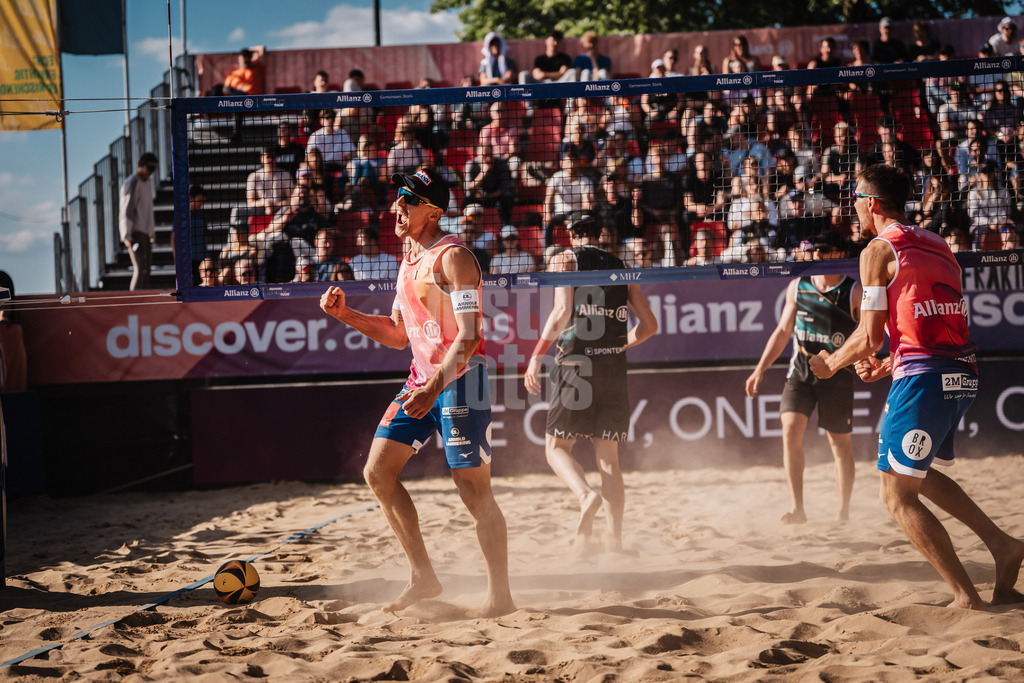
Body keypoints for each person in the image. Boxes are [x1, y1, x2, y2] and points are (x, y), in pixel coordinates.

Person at [809, 163, 1024, 610]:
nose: (854, 208)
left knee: (895, 491)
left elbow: (868, 335)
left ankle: (966, 597)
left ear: (872, 202)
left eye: (855, 199)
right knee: (915, 477)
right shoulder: (937, 242)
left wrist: (830, 364)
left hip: (926, 378)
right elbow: (929, 316)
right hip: (960, 371)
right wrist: (891, 362)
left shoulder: (876, 250)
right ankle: (1004, 546)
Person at [319, 167, 515, 617]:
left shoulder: (455, 258)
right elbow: (396, 336)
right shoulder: (407, 259)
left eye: (407, 199)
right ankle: (423, 576)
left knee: (474, 492)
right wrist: (347, 315)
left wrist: (434, 387)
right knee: (377, 472)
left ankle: (500, 598)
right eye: (398, 198)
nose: (396, 207)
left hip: (462, 379)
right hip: (422, 379)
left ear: (432, 211)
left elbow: (468, 338)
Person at [524, 213, 658, 552]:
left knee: (556, 449)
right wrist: (618, 344)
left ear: (569, 234)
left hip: (575, 362)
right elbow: (650, 326)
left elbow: (562, 312)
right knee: (609, 461)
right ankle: (615, 542)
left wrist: (537, 355)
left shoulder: (565, 259)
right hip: (613, 364)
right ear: (601, 232)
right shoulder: (622, 267)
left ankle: (585, 496)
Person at [745, 267, 862, 524]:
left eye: (824, 251)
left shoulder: (854, 291)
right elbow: (783, 331)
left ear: (836, 255)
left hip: (837, 375)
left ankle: (843, 513)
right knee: (789, 431)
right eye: (814, 251)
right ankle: (798, 509)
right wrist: (759, 369)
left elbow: (865, 333)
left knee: (840, 444)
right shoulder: (798, 285)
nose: (818, 256)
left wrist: (866, 360)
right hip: (800, 373)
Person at [119, 152, 158, 291]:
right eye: (149, 168)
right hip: (135, 232)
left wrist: (151, 232)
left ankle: (144, 303)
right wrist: (127, 235)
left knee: (147, 270)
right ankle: (133, 303)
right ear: (141, 166)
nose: (151, 172)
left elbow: (148, 210)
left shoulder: (148, 183)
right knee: (140, 269)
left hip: (146, 232)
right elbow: (126, 209)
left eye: (154, 169)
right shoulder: (132, 182)